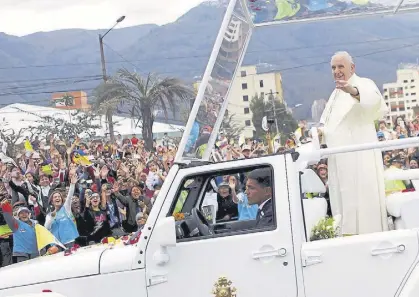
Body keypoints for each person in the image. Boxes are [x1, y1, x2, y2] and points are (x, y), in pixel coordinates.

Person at [320, 51, 388, 236]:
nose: (336, 71)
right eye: (333, 67)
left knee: (364, 209)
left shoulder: (363, 83)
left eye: (341, 66)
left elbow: (374, 101)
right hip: (339, 160)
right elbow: (328, 125)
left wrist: (353, 91)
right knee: (344, 207)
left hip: (359, 159)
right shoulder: (334, 94)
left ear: (352, 68)